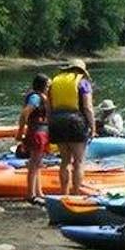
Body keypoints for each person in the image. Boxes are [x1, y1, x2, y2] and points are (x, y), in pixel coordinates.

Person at [46, 58, 94, 197]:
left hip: (57, 121)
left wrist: (51, 124)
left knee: (65, 160)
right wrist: (93, 127)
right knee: (78, 161)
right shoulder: (83, 82)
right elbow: (88, 107)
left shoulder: (54, 83)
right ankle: (77, 194)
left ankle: (64, 193)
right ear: (81, 70)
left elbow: (49, 108)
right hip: (76, 122)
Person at [15, 73, 50, 204]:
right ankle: (31, 194)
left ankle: (39, 192)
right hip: (36, 132)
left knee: (38, 163)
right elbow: (25, 113)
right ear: (43, 86)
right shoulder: (35, 97)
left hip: (42, 131)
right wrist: (20, 131)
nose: (49, 88)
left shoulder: (40, 97)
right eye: (48, 85)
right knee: (34, 163)